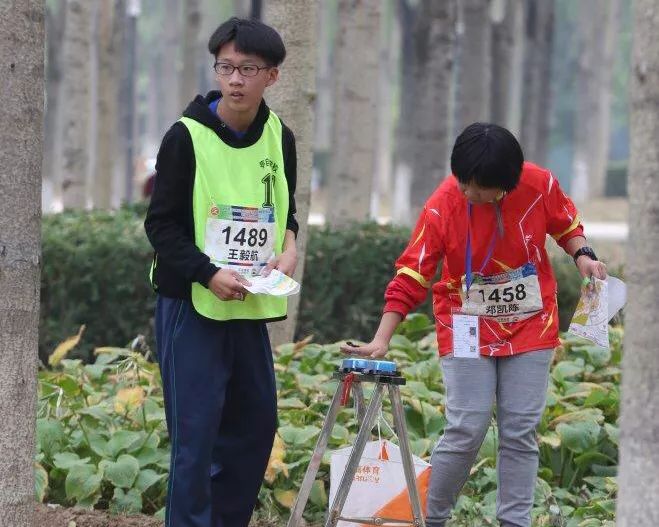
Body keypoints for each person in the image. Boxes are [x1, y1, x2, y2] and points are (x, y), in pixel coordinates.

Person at [341, 123, 607, 527]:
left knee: (520, 430)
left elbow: (566, 224)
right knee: (467, 426)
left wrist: (583, 255)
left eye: (477, 187)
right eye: (462, 181)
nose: (467, 192)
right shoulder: (443, 203)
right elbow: (413, 272)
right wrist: (382, 338)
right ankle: (430, 518)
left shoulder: (539, 185)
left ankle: (513, 522)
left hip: (532, 322)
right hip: (466, 324)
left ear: (506, 184)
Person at [144, 17, 299, 527]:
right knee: (195, 436)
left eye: (248, 69)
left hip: (249, 307)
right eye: (226, 67)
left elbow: (286, 213)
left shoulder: (281, 138)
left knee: (255, 429)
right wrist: (207, 273)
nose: (235, 79)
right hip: (192, 305)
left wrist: (290, 248)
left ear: (271, 76)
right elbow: (160, 227)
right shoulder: (184, 138)